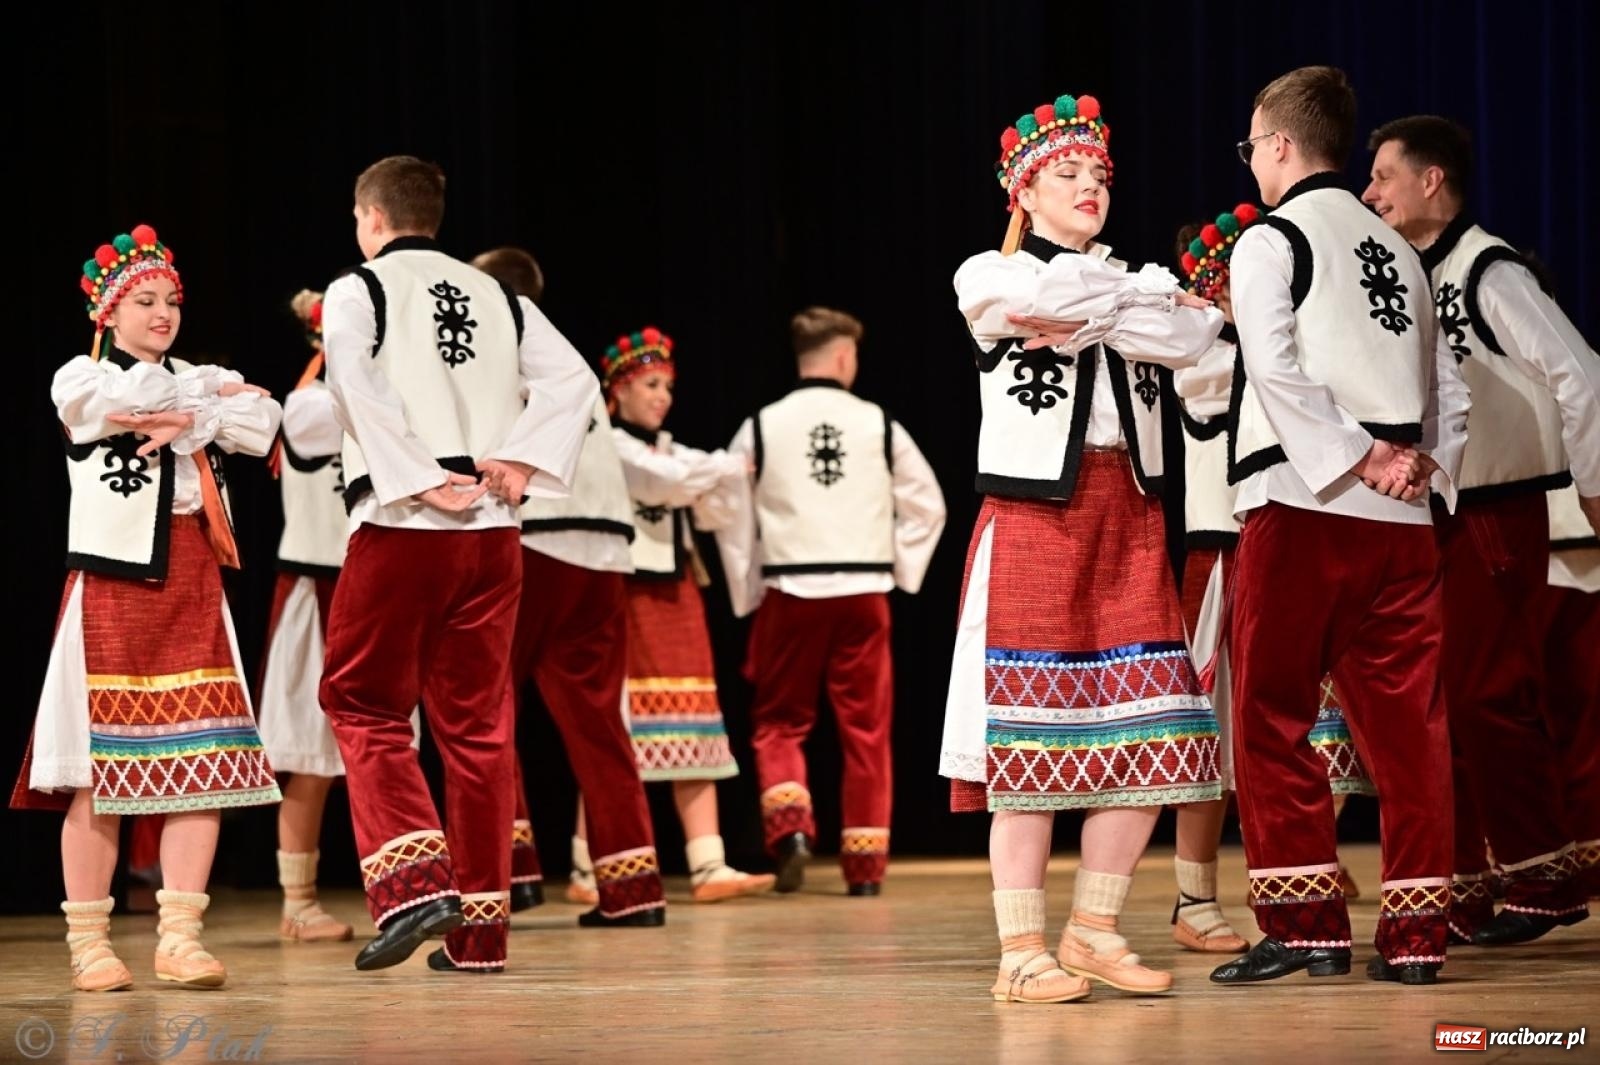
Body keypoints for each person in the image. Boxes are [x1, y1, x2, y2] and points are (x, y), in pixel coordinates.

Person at [938, 91, 1223, 1003]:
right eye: (1067, 173)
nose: (1089, 185)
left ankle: (1095, 928)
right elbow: (1025, 298)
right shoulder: (988, 270)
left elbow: (1194, 333)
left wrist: (1108, 304)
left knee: (1160, 732)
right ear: (1024, 191)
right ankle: (1020, 952)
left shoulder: (1123, 277)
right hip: (1035, 520)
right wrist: (1127, 299)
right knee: (1028, 752)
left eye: (1099, 173)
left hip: (1130, 517)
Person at [1211, 67, 1468, 988]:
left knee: (1273, 713)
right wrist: (1424, 469)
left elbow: (1275, 371)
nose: (1253, 162)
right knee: (1410, 728)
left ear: (1280, 147)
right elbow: (1450, 388)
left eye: (1253, 146)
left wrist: (1357, 457)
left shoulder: (1270, 239)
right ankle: (1415, 938)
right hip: (1399, 525)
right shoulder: (1401, 249)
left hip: (1303, 503)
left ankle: (1309, 926)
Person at [318, 157, 596, 974]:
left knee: (362, 700)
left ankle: (414, 887)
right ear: (432, 217)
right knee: (476, 728)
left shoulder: (357, 288)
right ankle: (480, 934)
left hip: (408, 520)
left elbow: (352, 379)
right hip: (492, 531)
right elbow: (574, 382)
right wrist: (515, 461)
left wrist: (413, 473)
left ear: (370, 216)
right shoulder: (499, 296)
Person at [13, 223, 282, 991]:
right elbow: (127, 399)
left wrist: (190, 410)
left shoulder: (194, 373)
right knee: (104, 771)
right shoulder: (80, 376)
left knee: (202, 762)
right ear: (108, 313)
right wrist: (205, 400)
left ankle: (181, 936)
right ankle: (91, 943)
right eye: (144, 301)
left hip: (194, 575)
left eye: (171, 300)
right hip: (113, 583)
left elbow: (264, 423)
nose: (163, 313)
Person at [1363, 114, 1600, 944]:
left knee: (1488, 692)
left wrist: (1594, 486)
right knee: (1439, 698)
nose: (1370, 192)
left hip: (1498, 506)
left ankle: (1544, 873)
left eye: (1384, 176)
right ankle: (1462, 882)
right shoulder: (1412, 274)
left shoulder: (1488, 270)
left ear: (1433, 180)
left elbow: (1580, 374)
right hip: (1436, 511)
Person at [717, 307, 946, 897]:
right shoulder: (878, 422)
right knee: (866, 729)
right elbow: (928, 505)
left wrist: (747, 588)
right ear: (844, 355)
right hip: (863, 591)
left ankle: (790, 830)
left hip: (791, 588)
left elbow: (732, 514)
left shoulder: (762, 425)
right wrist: (897, 568)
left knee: (778, 723)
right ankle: (865, 868)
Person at [471, 247, 668, 926]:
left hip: (536, 539)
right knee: (597, 721)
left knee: (486, 709)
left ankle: (509, 870)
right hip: (605, 548)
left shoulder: (494, 347)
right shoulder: (566, 350)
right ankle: (634, 886)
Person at [601, 325, 776, 904]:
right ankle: (590, 865)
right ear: (619, 389)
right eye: (650, 384)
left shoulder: (670, 448)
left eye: (667, 386)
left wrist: (718, 475)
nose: (662, 396)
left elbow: (715, 498)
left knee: (693, 719)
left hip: (676, 596)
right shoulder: (609, 445)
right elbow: (672, 482)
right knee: (612, 729)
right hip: (626, 597)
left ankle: (708, 864)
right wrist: (720, 472)